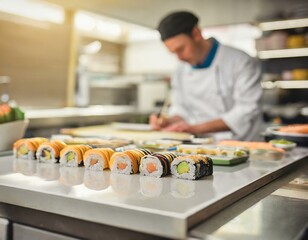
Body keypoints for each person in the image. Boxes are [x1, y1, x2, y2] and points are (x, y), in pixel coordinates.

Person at [150, 11, 263, 141]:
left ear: (196, 34)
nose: (179, 58)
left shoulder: (241, 61)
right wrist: (168, 121)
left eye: (181, 49)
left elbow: (246, 110)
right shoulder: (180, 70)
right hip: (203, 147)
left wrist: (194, 128)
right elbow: (181, 110)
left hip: (243, 146)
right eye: (173, 52)